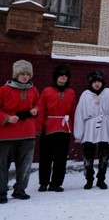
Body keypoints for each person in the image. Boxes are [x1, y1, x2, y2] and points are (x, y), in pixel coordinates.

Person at [73, 71, 109, 190]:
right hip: (89, 126)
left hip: (105, 125)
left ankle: (101, 179)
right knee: (88, 154)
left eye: (99, 81)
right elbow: (79, 113)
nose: (97, 84)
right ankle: (89, 179)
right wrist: (78, 133)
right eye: (94, 81)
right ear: (91, 83)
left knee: (104, 154)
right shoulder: (85, 95)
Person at [0, 60, 39, 203]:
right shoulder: (4, 90)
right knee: (2, 164)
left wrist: (36, 110)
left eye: (27, 74)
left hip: (27, 133)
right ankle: (1, 191)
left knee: (25, 164)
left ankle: (20, 189)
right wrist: (6, 118)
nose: (25, 76)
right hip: (6, 134)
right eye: (22, 73)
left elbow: (38, 104)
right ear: (16, 74)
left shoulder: (33, 90)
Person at [36, 65, 77, 193]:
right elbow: (41, 109)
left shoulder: (71, 92)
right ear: (56, 77)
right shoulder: (47, 91)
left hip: (64, 128)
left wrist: (75, 129)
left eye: (65, 75)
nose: (63, 77)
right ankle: (43, 183)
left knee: (61, 158)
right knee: (45, 157)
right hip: (48, 127)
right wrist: (38, 127)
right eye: (61, 74)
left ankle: (56, 183)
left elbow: (73, 111)